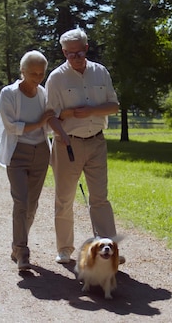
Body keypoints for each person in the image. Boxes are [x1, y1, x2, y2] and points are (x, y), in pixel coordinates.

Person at [46, 28, 125, 264]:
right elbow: (49, 115)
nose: (75, 58)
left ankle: (107, 250)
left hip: (97, 141)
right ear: (63, 53)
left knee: (100, 197)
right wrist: (63, 124)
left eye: (79, 52)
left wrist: (92, 111)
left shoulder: (100, 72)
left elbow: (114, 106)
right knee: (64, 198)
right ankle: (64, 249)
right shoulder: (56, 78)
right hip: (67, 143)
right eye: (70, 54)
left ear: (87, 49)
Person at [0, 50, 64, 271]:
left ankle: (17, 246)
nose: (37, 77)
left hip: (41, 152)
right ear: (22, 71)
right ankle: (22, 251)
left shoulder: (44, 94)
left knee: (32, 205)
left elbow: (50, 120)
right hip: (17, 153)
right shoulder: (8, 93)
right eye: (32, 73)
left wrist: (63, 132)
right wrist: (39, 122)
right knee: (21, 202)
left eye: (41, 73)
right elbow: (11, 126)